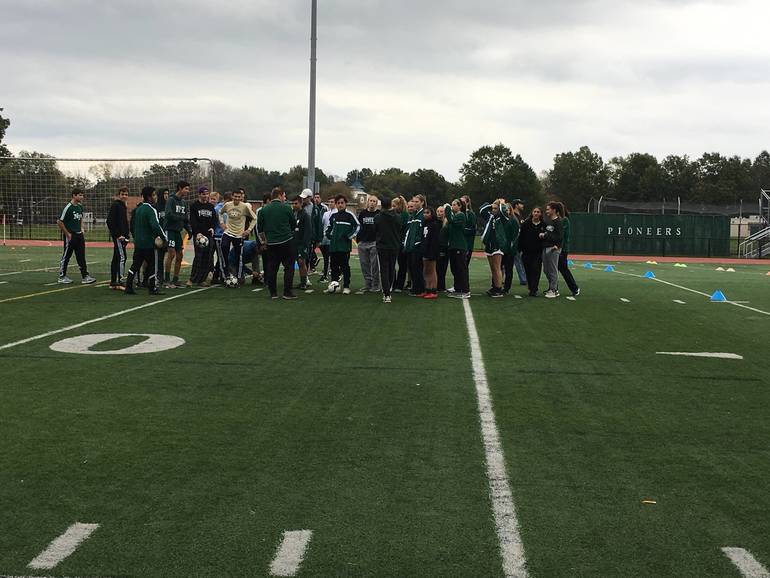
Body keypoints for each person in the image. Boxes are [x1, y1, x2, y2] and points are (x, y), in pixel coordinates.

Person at [124, 186, 166, 296]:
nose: (155, 197)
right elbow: (155, 226)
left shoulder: (138, 209)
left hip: (138, 243)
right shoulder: (151, 209)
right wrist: (164, 237)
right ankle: (152, 288)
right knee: (152, 265)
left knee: (135, 265)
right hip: (148, 243)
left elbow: (133, 226)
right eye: (154, 195)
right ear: (149, 197)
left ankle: (128, 286)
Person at [257, 187, 297, 300]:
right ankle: (287, 292)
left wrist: (263, 242)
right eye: (284, 196)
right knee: (289, 267)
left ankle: (273, 293)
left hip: (271, 243)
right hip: (286, 241)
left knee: (272, 268)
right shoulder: (287, 208)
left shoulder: (263, 210)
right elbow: (293, 224)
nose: (284, 198)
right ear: (280, 196)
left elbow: (260, 229)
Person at [57, 188, 96, 285]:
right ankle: (62, 276)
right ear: (74, 195)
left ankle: (85, 276)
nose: (82, 197)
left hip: (79, 235)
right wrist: (67, 234)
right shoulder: (68, 207)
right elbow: (60, 221)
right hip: (71, 235)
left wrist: (82, 229)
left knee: (81, 256)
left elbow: (81, 218)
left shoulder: (79, 207)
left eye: (82, 195)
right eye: (80, 195)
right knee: (66, 256)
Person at [324, 194, 360, 295]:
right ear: (336, 204)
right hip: (334, 247)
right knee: (334, 267)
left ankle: (346, 286)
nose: (340, 205)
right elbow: (329, 228)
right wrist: (328, 235)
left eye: (342, 203)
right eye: (338, 203)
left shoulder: (350, 215)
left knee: (345, 267)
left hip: (344, 247)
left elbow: (357, 226)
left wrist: (349, 236)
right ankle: (334, 285)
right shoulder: (333, 216)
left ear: (345, 204)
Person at [219, 188, 256, 283]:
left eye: (239, 197)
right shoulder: (227, 205)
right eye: (235, 196)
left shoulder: (245, 207)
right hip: (228, 232)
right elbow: (220, 212)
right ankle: (226, 274)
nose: (237, 198)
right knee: (224, 248)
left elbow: (254, 218)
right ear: (232, 196)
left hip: (239, 234)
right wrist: (222, 222)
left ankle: (239, 277)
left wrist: (248, 230)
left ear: (241, 197)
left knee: (238, 256)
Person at [163, 181, 192, 288]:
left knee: (180, 255)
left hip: (178, 231)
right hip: (169, 230)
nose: (188, 191)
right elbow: (169, 215)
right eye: (186, 189)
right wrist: (181, 218)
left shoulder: (184, 203)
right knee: (171, 254)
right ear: (180, 188)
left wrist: (189, 230)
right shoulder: (171, 200)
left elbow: (185, 220)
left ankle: (175, 279)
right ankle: (166, 279)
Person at [479, 198, 510, 298]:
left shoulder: (503, 218)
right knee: (493, 268)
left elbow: (504, 211)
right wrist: (490, 205)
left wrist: (502, 203)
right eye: (493, 208)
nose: (494, 210)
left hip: (498, 244)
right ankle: (495, 286)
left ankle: (498, 289)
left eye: (496, 208)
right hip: (489, 244)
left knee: (497, 268)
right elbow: (481, 210)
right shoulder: (489, 216)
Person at [374, 196, 403, 303]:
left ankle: (386, 293)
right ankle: (388, 290)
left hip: (382, 246)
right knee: (391, 268)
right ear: (391, 205)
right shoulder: (398, 217)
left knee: (384, 269)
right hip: (394, 246)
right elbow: (400, 228)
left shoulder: (378, 217)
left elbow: (375, 230)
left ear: (382, 205)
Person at [188, 185, 217, 287]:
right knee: (198, 257)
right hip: (199, 236)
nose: (206, 196)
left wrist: (213, 227)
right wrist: (197, 232)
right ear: (199, 194)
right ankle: (192, 279)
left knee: (207, 258)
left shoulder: (210, 207)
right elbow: (193, 221)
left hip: (209, 236)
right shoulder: (194, 206)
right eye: (203, 194)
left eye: (207, 194)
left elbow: (214, 220)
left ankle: (202, 279)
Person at [444, 199, 470, 299]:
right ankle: (458, 288)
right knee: (454, 269)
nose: (452, 206)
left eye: (454, 205)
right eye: (452, 205)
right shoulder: (455, 215)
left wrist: (447, 208)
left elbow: (451, 221)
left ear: (459, 206)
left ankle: (465, 291)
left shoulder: (461, 215)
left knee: (461, 269)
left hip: (460, 246)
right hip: (453, 246)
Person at [356, 194, 381, 294]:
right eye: (371, 200)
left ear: (376, 203)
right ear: (368, 202)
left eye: (374, 201)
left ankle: (376, 285)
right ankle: (368, 284)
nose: (372, 203)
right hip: (363, 242)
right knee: (364, 265)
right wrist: (358, 240)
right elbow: (359, 226)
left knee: (375, 265)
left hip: (374, 242)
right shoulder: (362, 213)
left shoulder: (379, 214)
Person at [106, 186, 130, 289]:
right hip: (118, 237)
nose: (124, 196)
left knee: (116, 257)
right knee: (122, 257)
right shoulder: (116, 205)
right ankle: (120, 280)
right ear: (118, 195)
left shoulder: (123, 206)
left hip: (123, 236)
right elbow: (110, 221)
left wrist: (126, 235)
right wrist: (117, 235)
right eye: (122, 194)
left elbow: (124, 223)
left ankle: (113, 281)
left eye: (126, 194)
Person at [540, 201, 564, 299]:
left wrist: (557, 246)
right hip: (546, 247)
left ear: (554, 210)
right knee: (546, 270)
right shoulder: (548, 221)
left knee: (553, 270)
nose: (546, 211)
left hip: (553, 248)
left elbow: (560, 236)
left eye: (548, 209)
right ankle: (552, 287)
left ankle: (553, 290)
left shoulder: (558, 222)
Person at [519, 207, 546, 297]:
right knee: (528, 270)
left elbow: (546, 237)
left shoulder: (543, 225)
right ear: (532, 213)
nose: (536, 213)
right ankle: (531, 287)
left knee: (536, 270)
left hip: (538, 252)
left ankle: (534, 289)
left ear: (540, 214)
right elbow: (521, 237)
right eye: (534, 211)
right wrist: (520, 249)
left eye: (538, 212)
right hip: (526, 252)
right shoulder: (526, 224)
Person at [291, 194, 313, 291]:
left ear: (300, 203)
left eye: (296, 203)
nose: (294, 205)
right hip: (292, 243)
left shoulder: (305, 215)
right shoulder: (291, 214)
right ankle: (291, 281)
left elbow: (308, 231)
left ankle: (304, 282)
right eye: (293, 203)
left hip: (301, 243)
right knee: (291, 263)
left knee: (301, 262)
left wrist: (305, 244)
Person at [557, 203, 580, 296]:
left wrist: (560, 248)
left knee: (563, 269)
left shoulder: (564, 220)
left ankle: (575, 288)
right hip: (557, 249)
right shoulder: (556, 221)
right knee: (555, 270)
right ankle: (554, 288)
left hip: (562, 249)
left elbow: (562, 236)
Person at [421, 205, 441, 299]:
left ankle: (433, 290)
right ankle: (428, 289)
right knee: (426, 271)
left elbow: (435, 240)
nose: (425, 214)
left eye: (427, 213)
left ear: (432, 214)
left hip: (432, 251)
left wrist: (432, 252)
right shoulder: (425, 224)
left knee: (431, 271)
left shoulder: (434, 224)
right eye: (424, 213)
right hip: (425, 250)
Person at [501, 202, 521, 294]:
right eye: (505, 209)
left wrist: (511, 248)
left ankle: (506, 288)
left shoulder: (513, 220)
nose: (506, 211)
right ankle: (497, 285)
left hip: (509, 249)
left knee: (508, 269)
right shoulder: (503, 219)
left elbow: (515, 237)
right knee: (499, 267)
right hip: (502, 248)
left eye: (508, 209)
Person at [318, 197, 336, 283]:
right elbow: (322, 225)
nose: (330, 203)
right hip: (325, 237)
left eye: (332, 202)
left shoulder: (336, 213)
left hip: (332, 238)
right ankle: (326, 273)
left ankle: (327, 274)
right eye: (329, 202)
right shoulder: (326, 213)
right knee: (326, 257)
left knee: (329, 257)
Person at [511, 199, 528, 286]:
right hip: (514, 242)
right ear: (516, 205)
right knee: (517, 260)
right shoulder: (513, 215)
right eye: (521, 204)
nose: (523, 205)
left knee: (516, 260)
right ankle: (523, 279)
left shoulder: (520, 215)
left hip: (520, 241)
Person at [310, 192, 328, 273]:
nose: (316, 199)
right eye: (315, 197)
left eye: (318, 197)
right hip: (314, 232)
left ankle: (326, 269)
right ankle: (312, 266)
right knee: (310, 250)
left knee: (325, 252)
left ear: (320, 199)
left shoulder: (324, 208)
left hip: (322, 233)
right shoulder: (312, 207)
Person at [436, 205, 450, 292]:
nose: (439, 213)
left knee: (442, 268)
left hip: (445, 249)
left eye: (441, 211)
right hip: (436, 248)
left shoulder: (447, 223)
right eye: (438, 211)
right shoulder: (435, 223)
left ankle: (441, 286)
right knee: (437, 268)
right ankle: (437, 286)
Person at [461, 195, 477, 269]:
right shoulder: (458, 213)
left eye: (463, 202)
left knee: (464, 267)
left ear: (467, 203)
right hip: (458, 245)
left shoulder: (471, 214)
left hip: (467, 245)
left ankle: (464, 281)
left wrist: (462, 230)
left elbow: (473, 230)